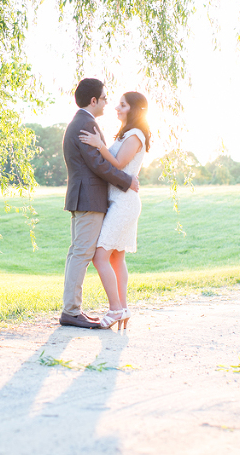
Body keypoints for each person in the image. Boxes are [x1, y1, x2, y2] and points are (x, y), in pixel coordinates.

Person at [60, 78, 139, 329]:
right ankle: (72, 311)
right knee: (82, 253)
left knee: (80, 253)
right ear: (93, 101)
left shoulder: (82, 122)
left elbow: (99, 161)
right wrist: (127, 181)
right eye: (105, 98)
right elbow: (99, 165)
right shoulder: (86, 124)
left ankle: (76, 309)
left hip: (87, 197)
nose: (107, 103)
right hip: (89, 198)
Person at [78, 91, 151, 330]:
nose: (117, 108)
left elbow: (118, 164)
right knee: (116, 257)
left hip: (125, 202)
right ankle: (124, 307)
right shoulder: (126, 134)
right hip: (118, 200)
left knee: (100, 256)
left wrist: (99, 145)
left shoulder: (136, 135)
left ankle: (115, 308)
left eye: (122, 105)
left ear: (135, 110)